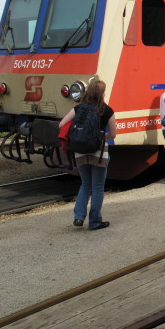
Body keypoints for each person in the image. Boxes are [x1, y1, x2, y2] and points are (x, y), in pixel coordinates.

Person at [59, 80, 116, 230]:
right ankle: (95, 221)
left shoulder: (79, 108)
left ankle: (78, 216)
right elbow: (113, 134)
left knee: (85, 184)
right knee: (97, 187)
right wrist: (101, 137)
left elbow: (61, 124)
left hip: (80, 150)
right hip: (98, 153)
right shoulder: (107, 110)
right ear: (102, 94)